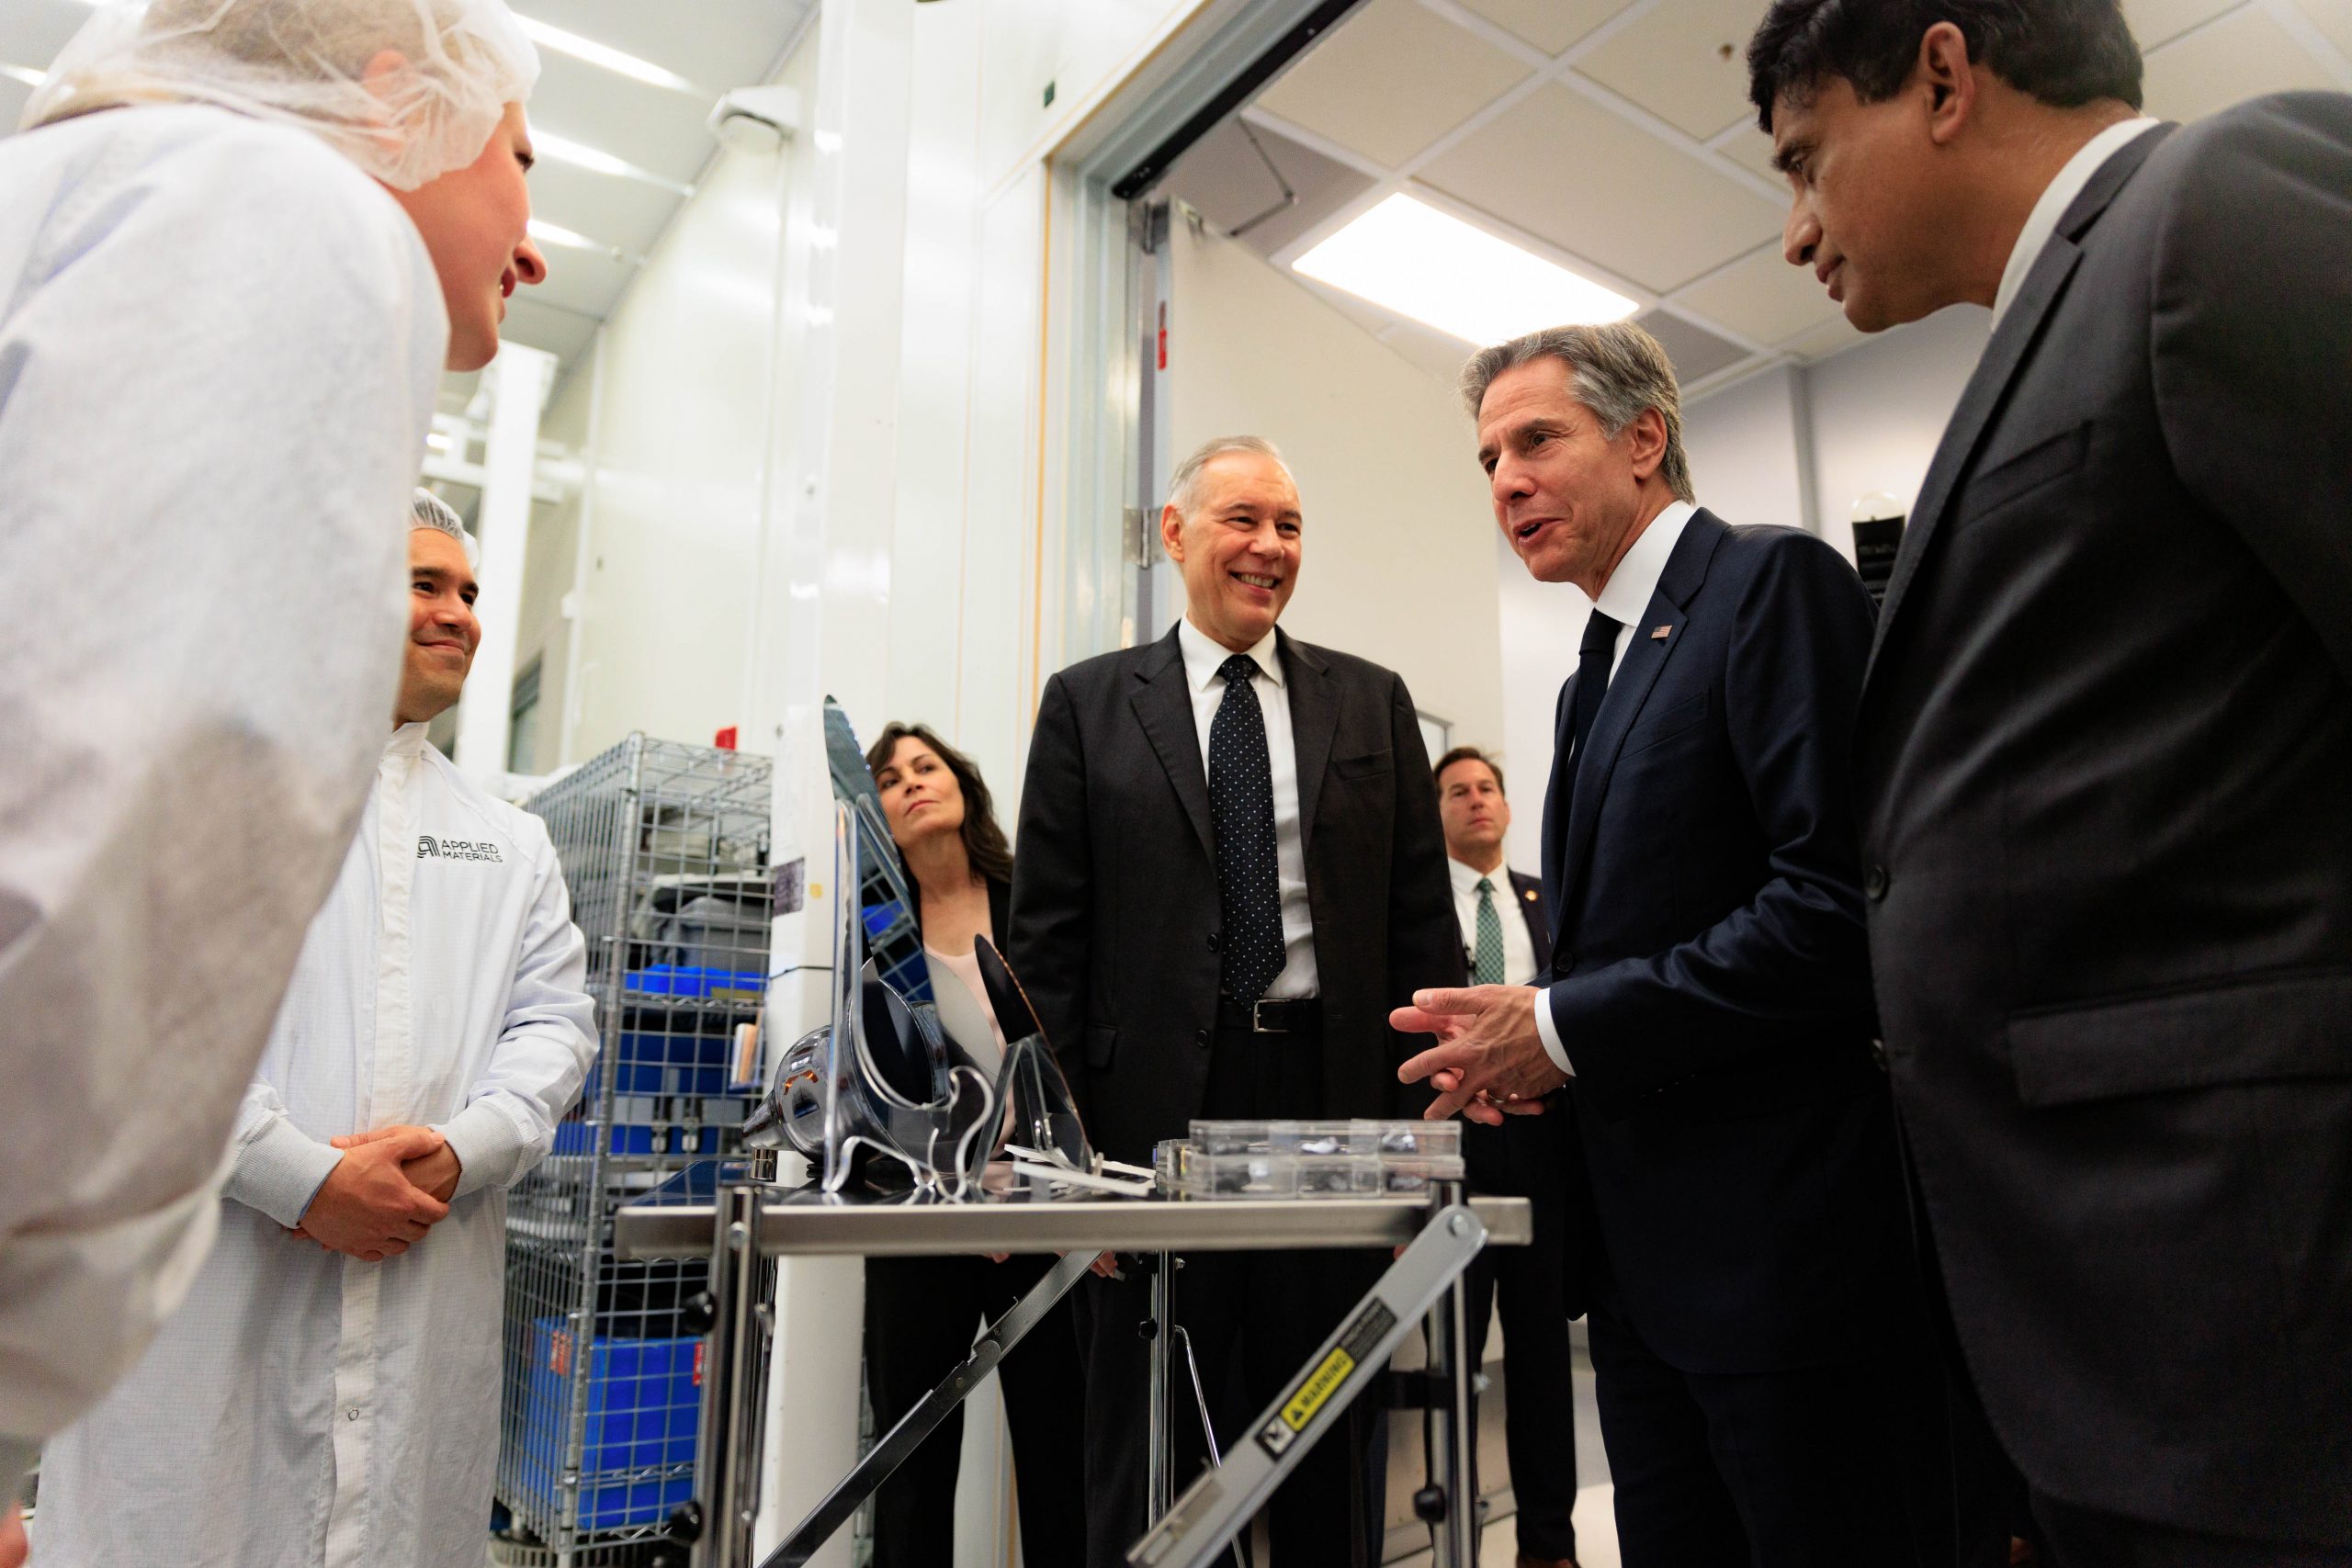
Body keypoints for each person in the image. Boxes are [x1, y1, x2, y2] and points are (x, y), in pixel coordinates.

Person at [1746, 2, 2352, 1560]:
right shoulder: (2039, 339)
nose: (1795, 230)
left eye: (1807, 161)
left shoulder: (2218, 200)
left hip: (2262, 1323)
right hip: (2112, 1341)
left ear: (1942, 75)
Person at [0, 0, 548, 1526]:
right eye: (522, 159)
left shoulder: (113, 189)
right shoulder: (290, 214)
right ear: (393, 100)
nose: (536, 240)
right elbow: (123, 818)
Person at [1394, 323, 1967, 1567]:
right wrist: (1529, 1029)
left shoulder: (1771, 586)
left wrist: (1557, 1024)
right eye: (1488, 457)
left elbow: (1831, 908)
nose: (1505, 480)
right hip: (1647, 1289)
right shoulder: (1586, 676)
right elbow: (1652, 929)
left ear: (1645, 437)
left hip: (1787, 1278)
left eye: (1536, 439)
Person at [29, 493, 596, 1568]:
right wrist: (295, 1177)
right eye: (425, 584)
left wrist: (462, 1149)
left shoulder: (511, 845)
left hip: (426, 1306)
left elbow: (555, 1029)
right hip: (204, 1308)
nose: (460, 615)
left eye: (469, 593)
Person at [1011, 435, 1462, 1565]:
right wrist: (1069, 1162)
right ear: (1175, 533)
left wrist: (1422, 1129)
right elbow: (1046, 953)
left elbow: (1421, 928)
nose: (1269, 548)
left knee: (1324, 1425)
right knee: (1154, 1452)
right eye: (1242, 520)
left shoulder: (1371, 702)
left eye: (1291, 527)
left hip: (1331, 1100)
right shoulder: (1089, 705)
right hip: (1150, 1121)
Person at [860, 721, 1088, 1568]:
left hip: (1040, 1217)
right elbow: (869, 1091)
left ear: (962, 785)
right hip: (922, 1221)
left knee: (1062, 1449)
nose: (913, 781)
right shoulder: (872, 933)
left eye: (928, 765)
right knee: (910, 1465)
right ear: (875, 809)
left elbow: (1075, 1057)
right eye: (890, 776)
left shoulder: (1036, 898)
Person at [1430, 746, 1583, 1568]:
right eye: (1457, 791)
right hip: (1454, 1147)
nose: (1476, 801)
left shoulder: (1546, 896)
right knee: (1456, 1357)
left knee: (1540, 1353)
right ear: (1438, 813)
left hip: (1543, 1148)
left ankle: (1547, 1545)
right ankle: (1456, 1534)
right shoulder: (1419, 907)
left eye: (1486, 787)